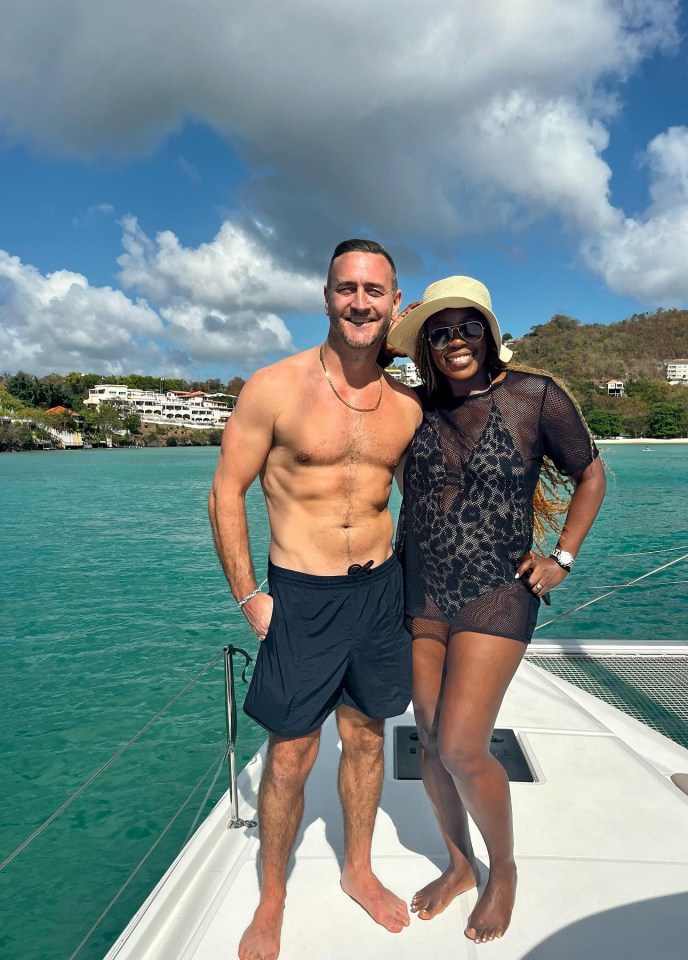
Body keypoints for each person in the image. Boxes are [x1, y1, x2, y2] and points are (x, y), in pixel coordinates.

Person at [209, 239, 422, 960]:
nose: (360, 302)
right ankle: (272, 897)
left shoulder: (409, 406)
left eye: (375, 291)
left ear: (396, 303)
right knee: (291, 755)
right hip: (299, 594)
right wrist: (248, 597)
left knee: (367, 739)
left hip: (379, 591)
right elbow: (225, 492)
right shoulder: (275, 387)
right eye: (346, 288)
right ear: (327, 296)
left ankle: (357, 869)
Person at [387, 275, 606, 945]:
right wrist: (386, 322)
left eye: (467, 326)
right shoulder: (410, 406)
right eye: (439, 330)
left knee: (461, 744)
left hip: (496, 591)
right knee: (428, 742)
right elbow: (347, 365)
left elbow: (591, 473)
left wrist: (561, 557)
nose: (455, 340)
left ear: (488, 332)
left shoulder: (534, 397)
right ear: (425, 343)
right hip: (420, 587)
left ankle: (501, 870)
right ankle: (458, 866)